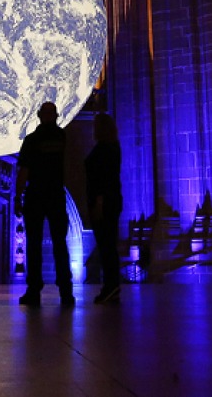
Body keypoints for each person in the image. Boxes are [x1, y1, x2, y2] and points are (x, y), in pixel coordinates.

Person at [14, 101, 74, 307]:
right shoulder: (63, 138)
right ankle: (66, 291)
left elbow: (24, 170)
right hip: (56, 195)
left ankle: (34, 290)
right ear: (56, 116)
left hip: (36, 195)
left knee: (34, 244)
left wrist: (17, 196)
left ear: (39, 116)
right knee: (60, 243)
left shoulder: (31, 141)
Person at [84, 112, 122, 304]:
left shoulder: (106, 149)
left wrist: (99, 203)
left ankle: (111, 286)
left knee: (106, 245)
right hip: (110, 201)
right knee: (107, 245)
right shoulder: (112, 147)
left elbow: (104, 179)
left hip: (105, 203)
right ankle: (112, 285)